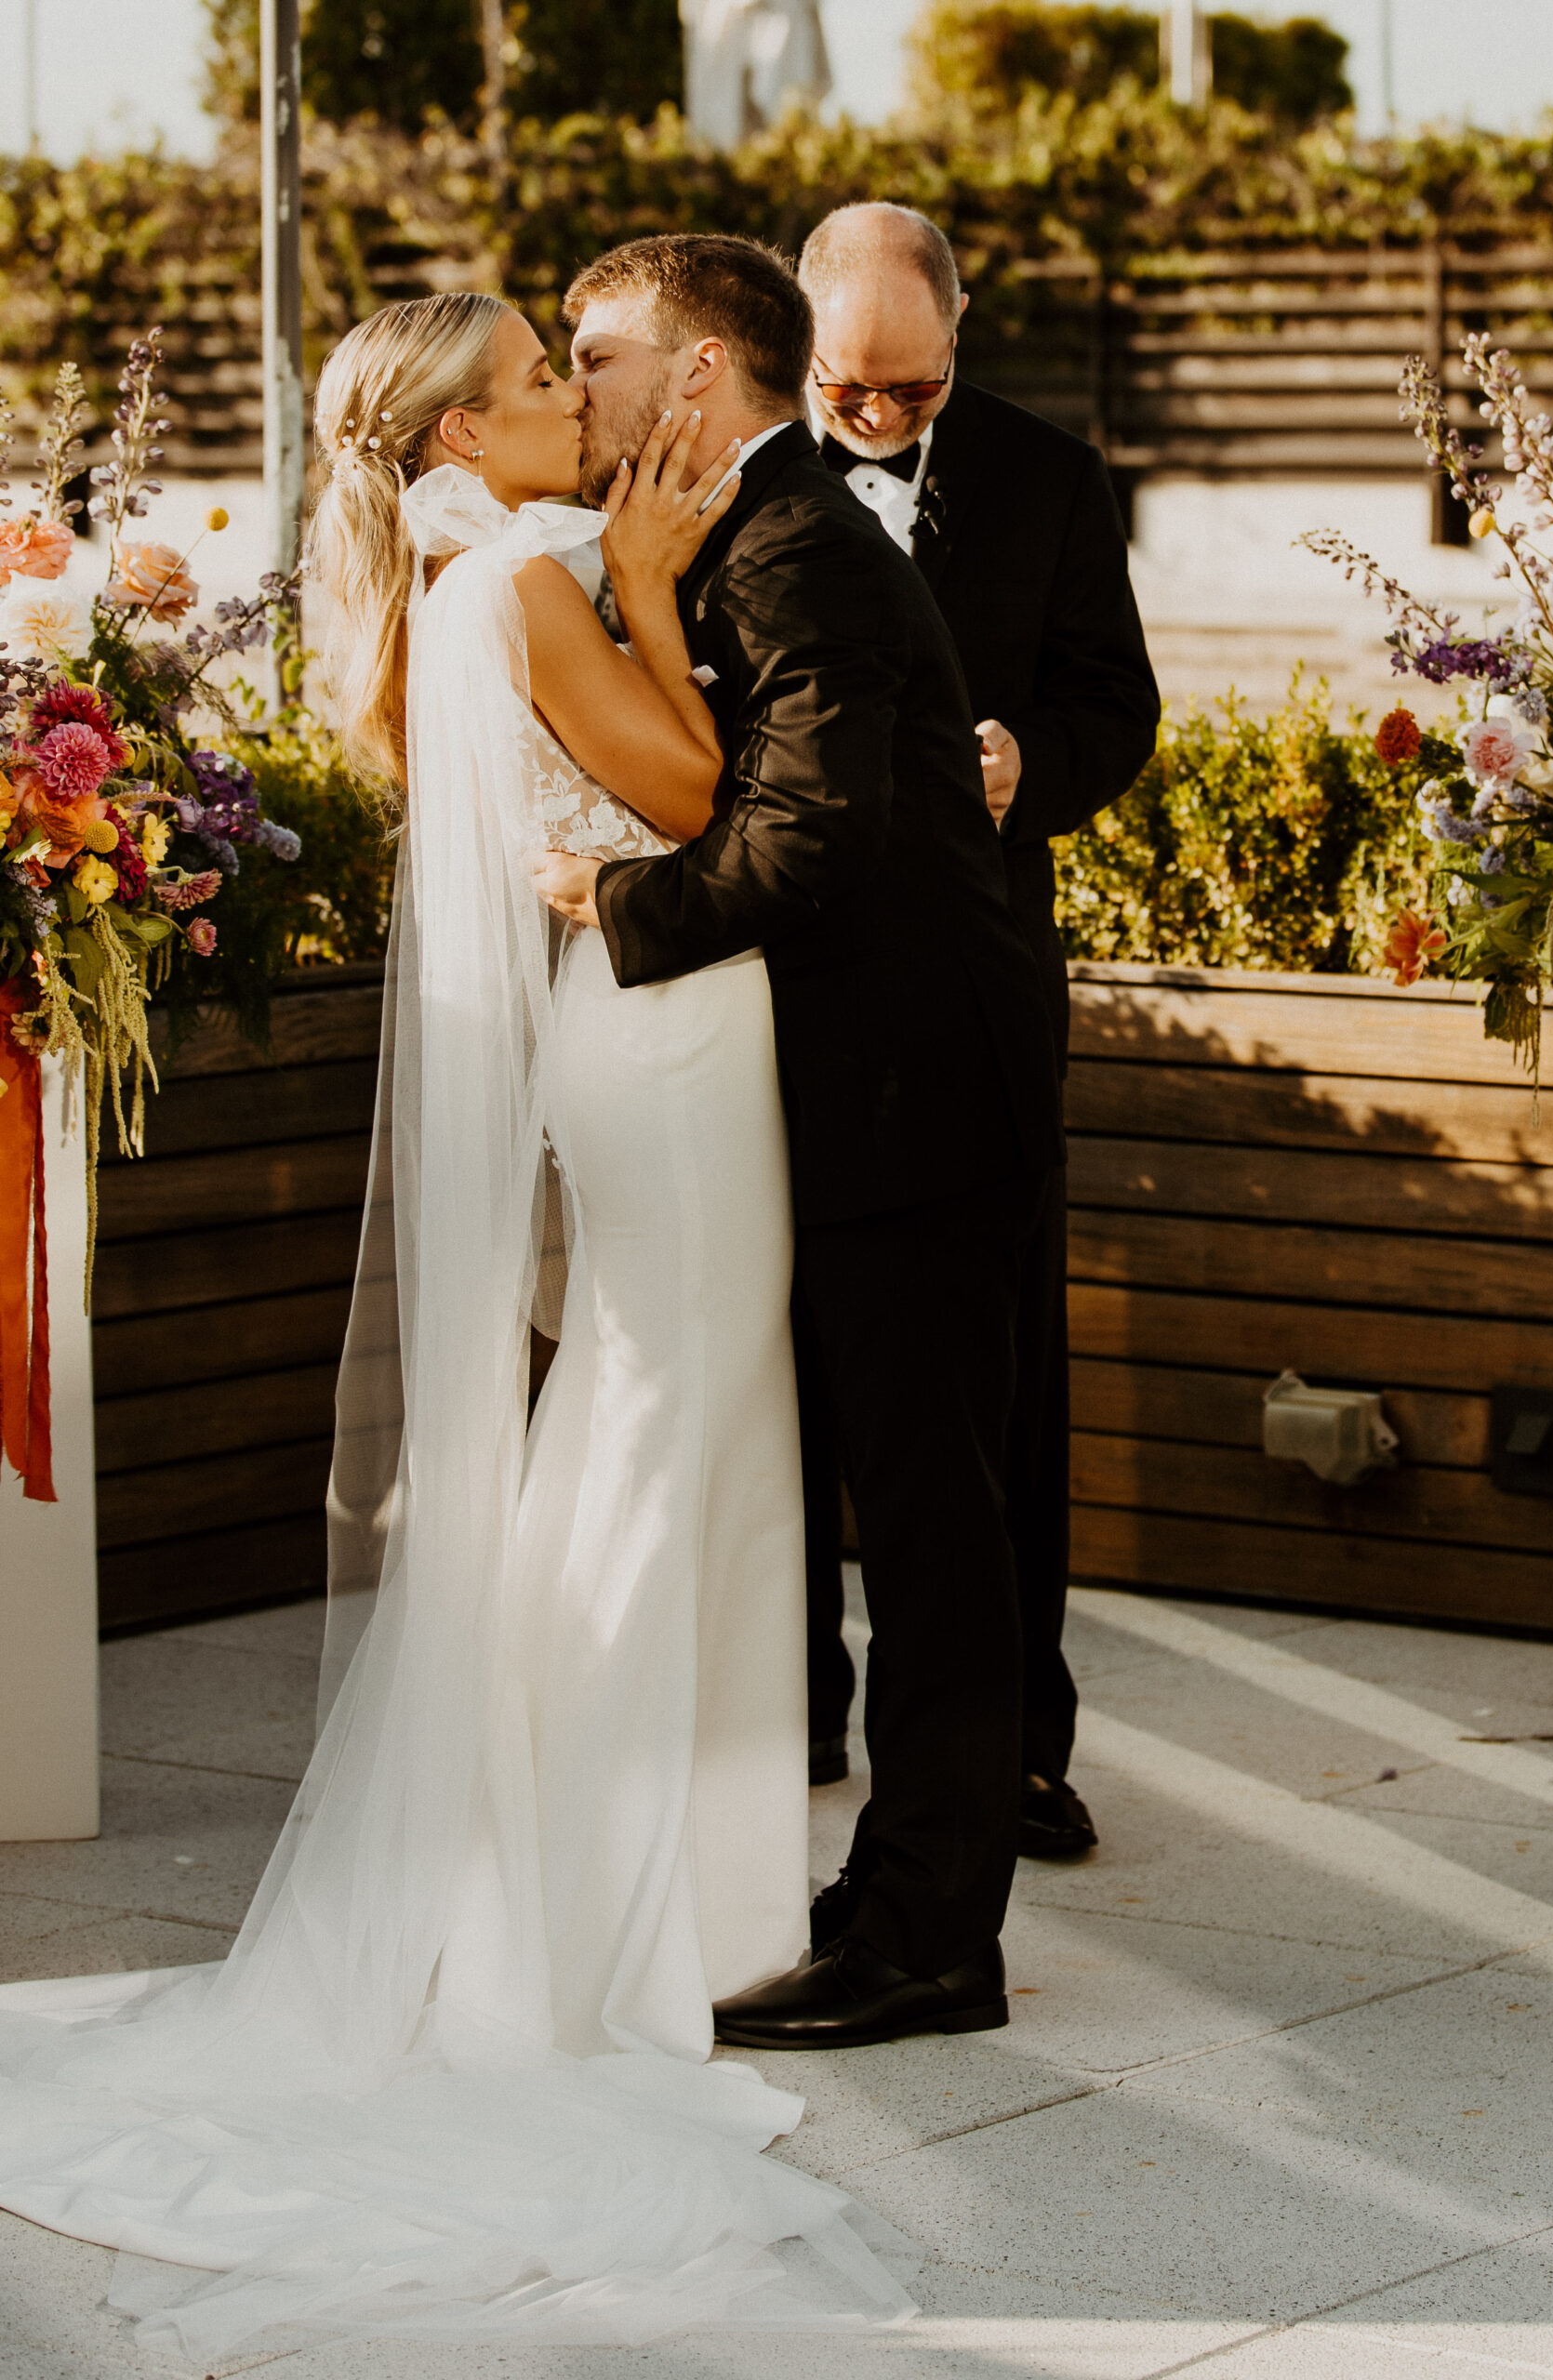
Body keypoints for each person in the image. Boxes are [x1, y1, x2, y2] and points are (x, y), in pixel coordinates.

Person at [0, 291, 911, 2356]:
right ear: (460, 440)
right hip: (665, 1040)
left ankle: (640, 1874)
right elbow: (685, 795)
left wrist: (641, 580)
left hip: (640, 1034)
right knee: (671, 1430)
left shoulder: (450, 572)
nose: (565, 405)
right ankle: (590, 1903)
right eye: (529, 386)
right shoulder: (520, 574)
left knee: (665, 1420)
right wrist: (665, 593)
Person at [536, 232, 1064, 2052]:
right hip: (860, 1087)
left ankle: (927, 1935)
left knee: (931, 1529)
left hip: (918, 1097)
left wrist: (601, 898)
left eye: (593, 352)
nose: (571, 379)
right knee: (904, 1512)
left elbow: (805, 838)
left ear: (693, 376)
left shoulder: (800, 549)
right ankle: (877, 1898)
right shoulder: (735, 535)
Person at [795, 201, 1161, 1857]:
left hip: (976, 994)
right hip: (772, 984)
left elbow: (1117, 707)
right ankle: (788, 1703)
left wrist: (1034, 777)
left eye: (909, 391)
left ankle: (1017, 1745)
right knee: (769, 1370)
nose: (873, 417)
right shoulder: (721, 471)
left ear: (961, 330)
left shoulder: (1050, 476)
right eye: (846, 387)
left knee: (1003, 1391)